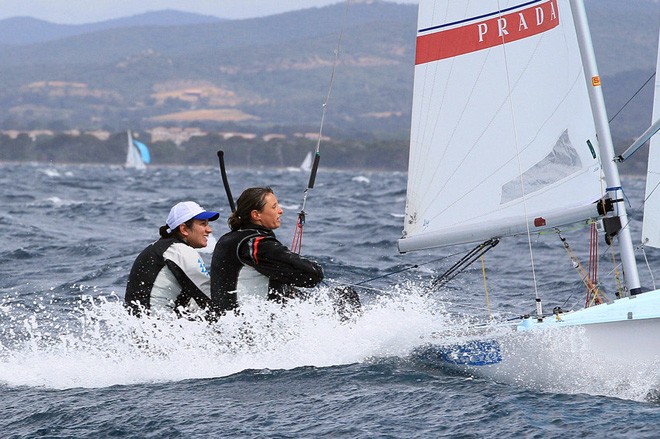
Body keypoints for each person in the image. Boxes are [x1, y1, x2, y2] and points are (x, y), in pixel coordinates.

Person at [210, 187, 324, 314]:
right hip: (249, 328)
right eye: (274, 207)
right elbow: (314, 274)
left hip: (227, 322)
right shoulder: (257, 243)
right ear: (256, 215)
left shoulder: (227, 238)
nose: (281, 211)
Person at [125, 201, 220, 316]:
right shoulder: (179, 250)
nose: (209, 230)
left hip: (142, 327)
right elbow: (209, 297)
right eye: (203, 224)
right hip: (159, 328)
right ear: (184, 229)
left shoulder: (160, 248)